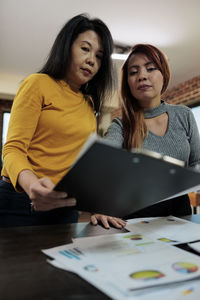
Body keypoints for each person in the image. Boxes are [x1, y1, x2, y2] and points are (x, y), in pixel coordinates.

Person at [0, 13, 118, 227]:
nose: (91, 59)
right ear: (67, 47)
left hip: (65, 208)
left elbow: (82, 165)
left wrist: (99, 206)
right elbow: (13, 149)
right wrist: (33, 186)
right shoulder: (37, 84)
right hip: (19, 202)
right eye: (85, 48)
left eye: (99, 56)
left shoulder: (90, 105)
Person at [91, 43, 200, 228]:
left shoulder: (184, 115)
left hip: (180, 217)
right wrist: (99, 204)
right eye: (133, 72)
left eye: (150, 68)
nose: (142, 76)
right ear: (128, 83)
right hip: (134, 220)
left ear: (163, 74)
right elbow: (103, 164)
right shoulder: (121, 125)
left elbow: (196, 163)